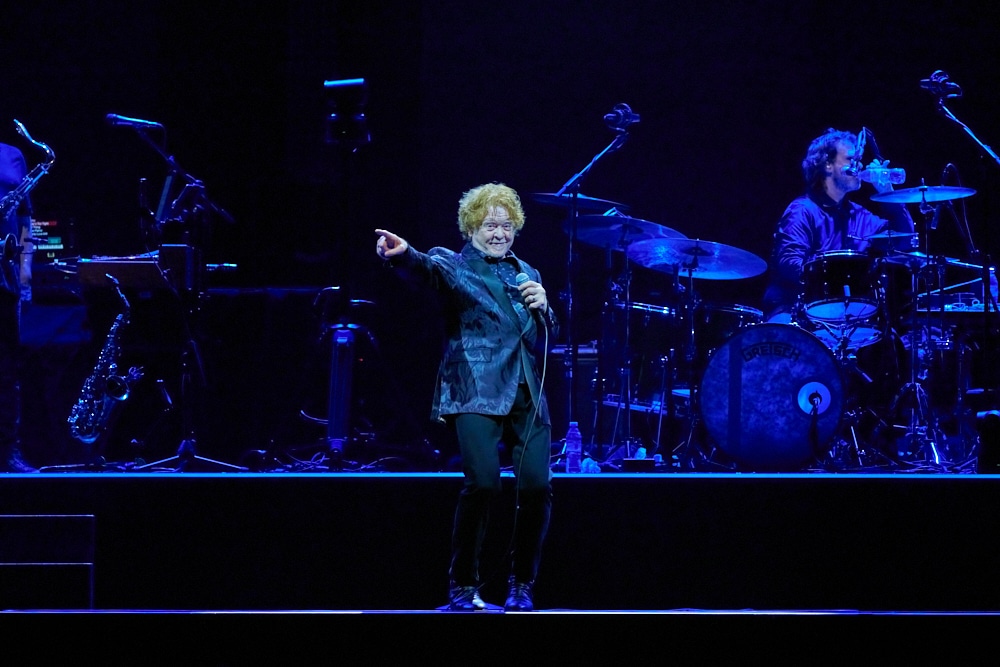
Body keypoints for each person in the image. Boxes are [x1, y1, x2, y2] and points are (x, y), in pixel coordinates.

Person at [375, 182, 557, 612]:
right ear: (471, 227)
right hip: (475, 387)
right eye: (490, 225)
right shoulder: (454, 265)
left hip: (526, 391)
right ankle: (462, 586)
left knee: (536, 486)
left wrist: (545, 308)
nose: (499, 233)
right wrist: (403, 254)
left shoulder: (527, 272)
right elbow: (425, 268)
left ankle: (522, 584)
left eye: (506, 225)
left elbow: (541, 335)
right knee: (484, 484)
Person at [763, 127, 915, 320]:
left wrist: (887, 193)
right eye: (851, 159)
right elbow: (788, 263)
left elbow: (904, 241)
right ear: (828, 165)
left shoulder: (858, 215)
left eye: (859, 160)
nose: (859, 166)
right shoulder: (803, 210)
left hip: (844, 314)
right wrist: (834, 276)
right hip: (795, 310)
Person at [0, 141, 37, 472]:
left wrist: (25, 278)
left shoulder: (13, 155)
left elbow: (26, 223)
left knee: (7, 371)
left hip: (6, 279)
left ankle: (8, 451)